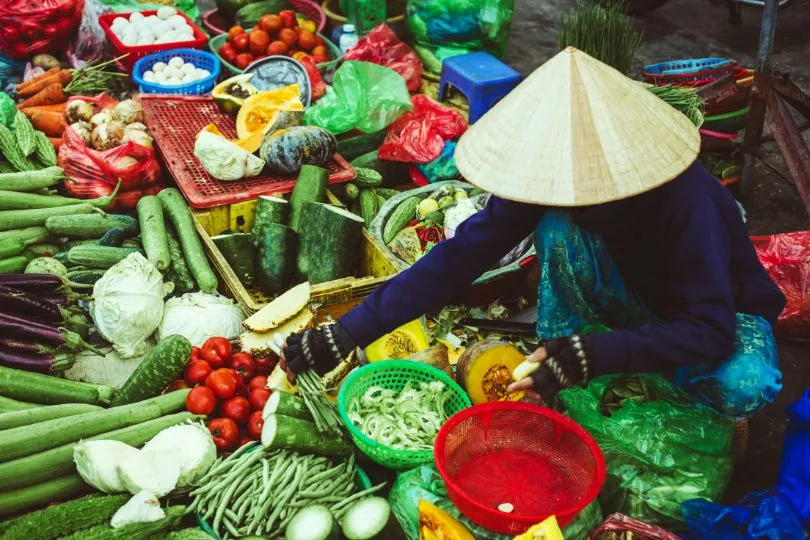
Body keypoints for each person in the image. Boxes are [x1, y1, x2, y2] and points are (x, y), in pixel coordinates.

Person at [281, 47, 785, 417]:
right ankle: (562, 355)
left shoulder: (686, 197)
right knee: (558, 230)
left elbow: (711, 326)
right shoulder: (549, 178)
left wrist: (601, 354)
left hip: (714, 311)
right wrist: (349, 331)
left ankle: (593, 358)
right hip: (629, 291)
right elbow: (462, 255)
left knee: (745, 383)